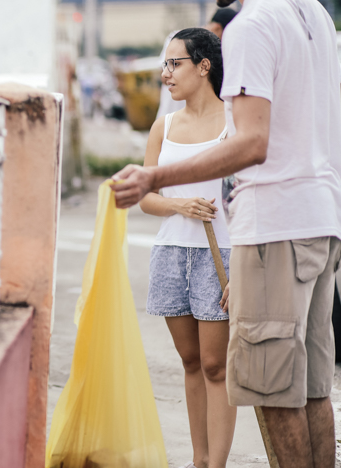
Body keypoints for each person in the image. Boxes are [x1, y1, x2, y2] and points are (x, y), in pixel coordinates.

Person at [110, 0, 341, 467]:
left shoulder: (251, 25)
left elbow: (251, 142)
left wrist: (155, 176)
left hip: (275, 227)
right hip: (321, 219)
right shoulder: (312, 10)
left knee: (269, 387)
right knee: (312, 386)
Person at [142, 27, 235, 468]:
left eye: (174, 63)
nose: (166, 73)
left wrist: (244, 271)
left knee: (217, 365)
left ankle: (216, 464)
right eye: (165, 64)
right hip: (171, 253)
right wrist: (179, 205)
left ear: (203, 66)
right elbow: (147, 197)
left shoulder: (235, 124)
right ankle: (199, 460)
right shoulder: (163, 127)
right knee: (191, 361)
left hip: (221, 256)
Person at [156, 8, 239, 119]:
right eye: (176, 64)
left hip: (204, 119)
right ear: (217, 28)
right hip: (173, 115)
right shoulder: (178, 39)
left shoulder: (221, 51)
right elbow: (163, 77)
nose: (166, 73)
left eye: (176, 64)